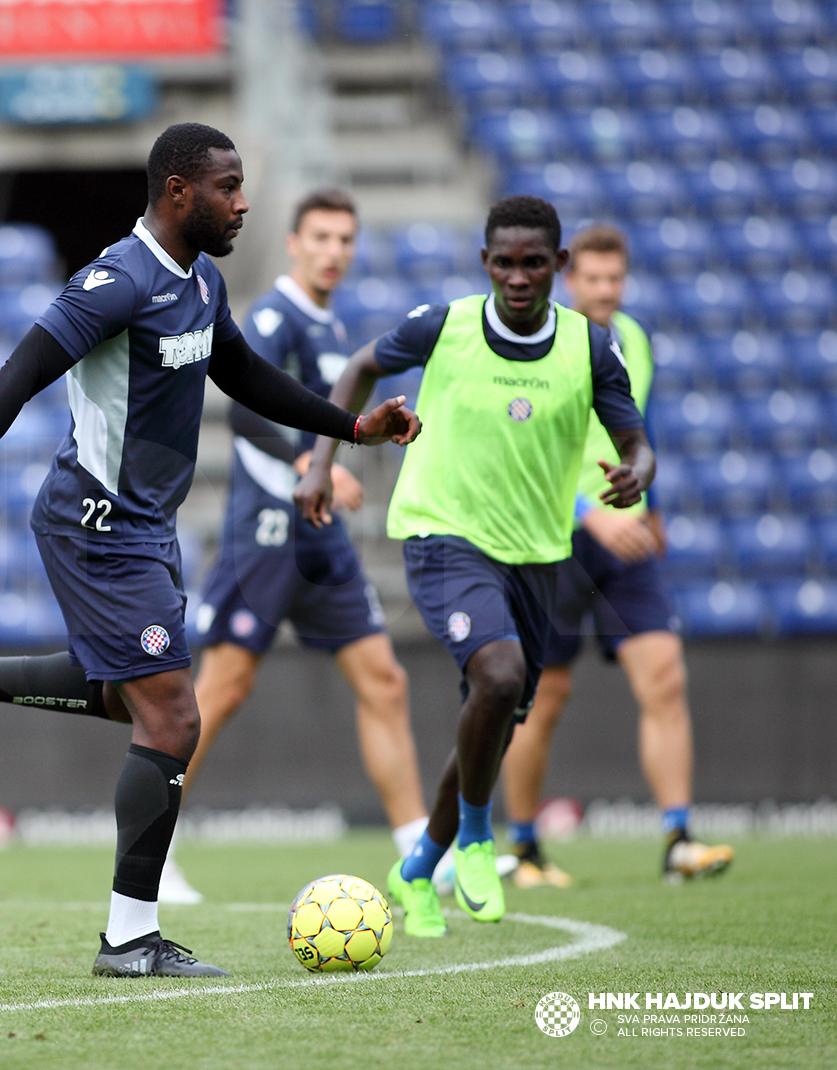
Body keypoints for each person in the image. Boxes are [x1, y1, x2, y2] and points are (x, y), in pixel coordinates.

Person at [0, 123, 420, 977]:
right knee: (174, 714)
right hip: (94, 524)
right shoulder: (115, 280)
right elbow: (21, 369)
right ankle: (129, 938)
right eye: (227, 187)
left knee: (132, 700)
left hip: (146, 528)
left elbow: (242, 374)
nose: (242, 203)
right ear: (178, 193)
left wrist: (351, 428)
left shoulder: (201, 281)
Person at [296, 195, 652, 937]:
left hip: (536, 552)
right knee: (498, 677)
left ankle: (420, 865)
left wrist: (637, 472)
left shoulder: (588, 348)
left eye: (532, 263)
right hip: (444, 535)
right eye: (503, 262)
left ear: (556, 266)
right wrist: (328, 455)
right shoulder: (446, 325)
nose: (517, 277)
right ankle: (480, 841)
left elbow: (635, 438)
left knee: (493, 719)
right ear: (484, 263)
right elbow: (361, 366)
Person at [162, 186, 429, 905]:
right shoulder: (275, 316)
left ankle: (417, 857)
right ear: (294, 243)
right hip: (267, 534)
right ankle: (152, 851)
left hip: (319, 536)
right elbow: (245, 417)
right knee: (218, 693)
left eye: (345, 239)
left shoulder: (333, 330)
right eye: (322, 238)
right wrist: (316, 468)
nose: (334, 251)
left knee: (384, 681)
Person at [499, 224, 734, 887]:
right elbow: (522, 451)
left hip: (627, 539)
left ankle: (677, 839)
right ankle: (524, 848)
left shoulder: (632, 339)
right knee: (543, 699)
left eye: (615, 280)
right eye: (593, 279)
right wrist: (587, 517)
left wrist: (651, 510)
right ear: (570, 279)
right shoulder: (542, 344)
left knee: (665, 677)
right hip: (554, 540)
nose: (605, 291)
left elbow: (641, 421)